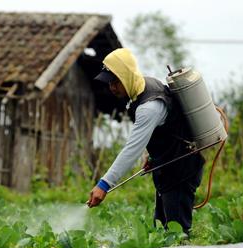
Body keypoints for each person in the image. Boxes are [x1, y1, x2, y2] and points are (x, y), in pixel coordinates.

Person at [87, 48, 204, 234]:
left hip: (181, 170)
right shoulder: (144, 87)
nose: (112, 87)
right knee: (161, 228)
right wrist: (153, 156)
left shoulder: (149, 108)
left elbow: (131, 149)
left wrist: (104, 184)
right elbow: (164, 130)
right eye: (109, 83)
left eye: (115, 82)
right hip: (166, 168)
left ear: (126, 76)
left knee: (177, 234)